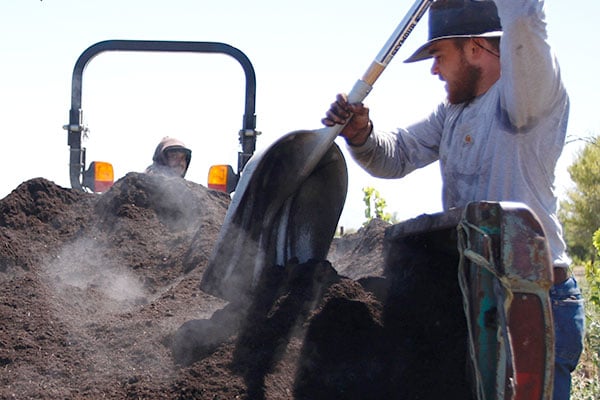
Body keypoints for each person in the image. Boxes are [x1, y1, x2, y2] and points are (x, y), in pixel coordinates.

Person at [322, 0, 584, 398]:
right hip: (475, 300)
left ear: (475, 48)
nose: (434, 69)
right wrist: (361, 133)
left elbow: (524, 18)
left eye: (439, 56)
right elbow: (398, 155)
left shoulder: (527, 100)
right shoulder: (453, 114)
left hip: (533, 305)